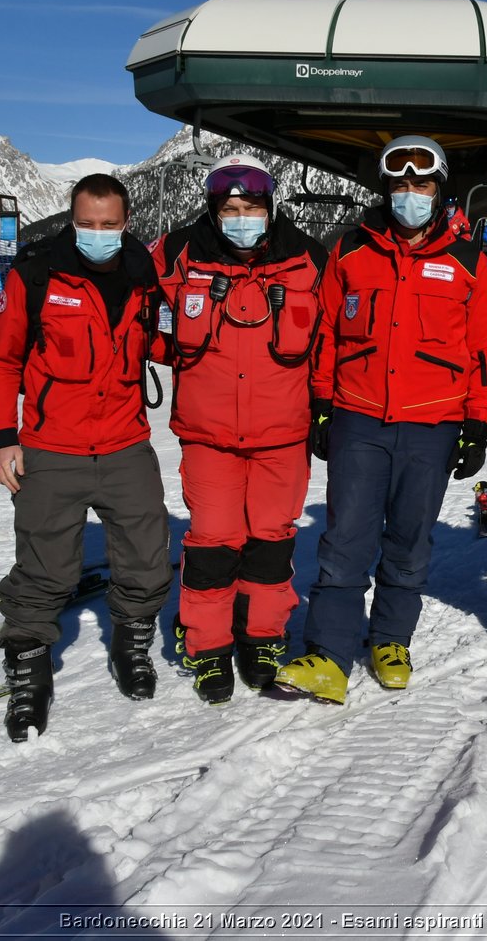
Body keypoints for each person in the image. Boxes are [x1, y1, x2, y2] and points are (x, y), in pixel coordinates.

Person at [274, 136, 487, 705]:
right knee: (345, 537)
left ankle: (391, 639)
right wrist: (321, 403)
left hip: (433, 422)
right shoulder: (350, 250)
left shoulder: (470, 261)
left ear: (439, 190)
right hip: (358, 416)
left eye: (421, 185)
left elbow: (485, 349)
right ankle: (327, 653)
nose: (410, 194)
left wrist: (478, 421)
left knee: (410, 538)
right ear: (385, 188)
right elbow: (325, 332)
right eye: (399, 184)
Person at [0, 173, 171, 742]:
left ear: (126, 223)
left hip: (125, 444)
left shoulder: (144, 274)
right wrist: (0, 437)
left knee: (145, 555)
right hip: (50, 448)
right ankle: (29, 672)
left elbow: (156, 343)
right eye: (86, 224)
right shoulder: (38, 273)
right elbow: (3, 359)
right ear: (72, 220)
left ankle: (130, 644)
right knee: (44, 570)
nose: (97, 234)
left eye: (108, 225)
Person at [152, 154, 327, 704]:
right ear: (213, 210)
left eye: (251, 207)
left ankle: (263, 637)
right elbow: (134, 311)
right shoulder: (177, 257)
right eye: (230, 209)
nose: (241, 217)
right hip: (208, 436)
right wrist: (174, 357)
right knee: (212, 543)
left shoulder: (309, 260)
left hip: (283, 436)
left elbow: (329, 344)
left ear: (270, 209)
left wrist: (325, 409)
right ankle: (207, 646)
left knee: (271, 542)